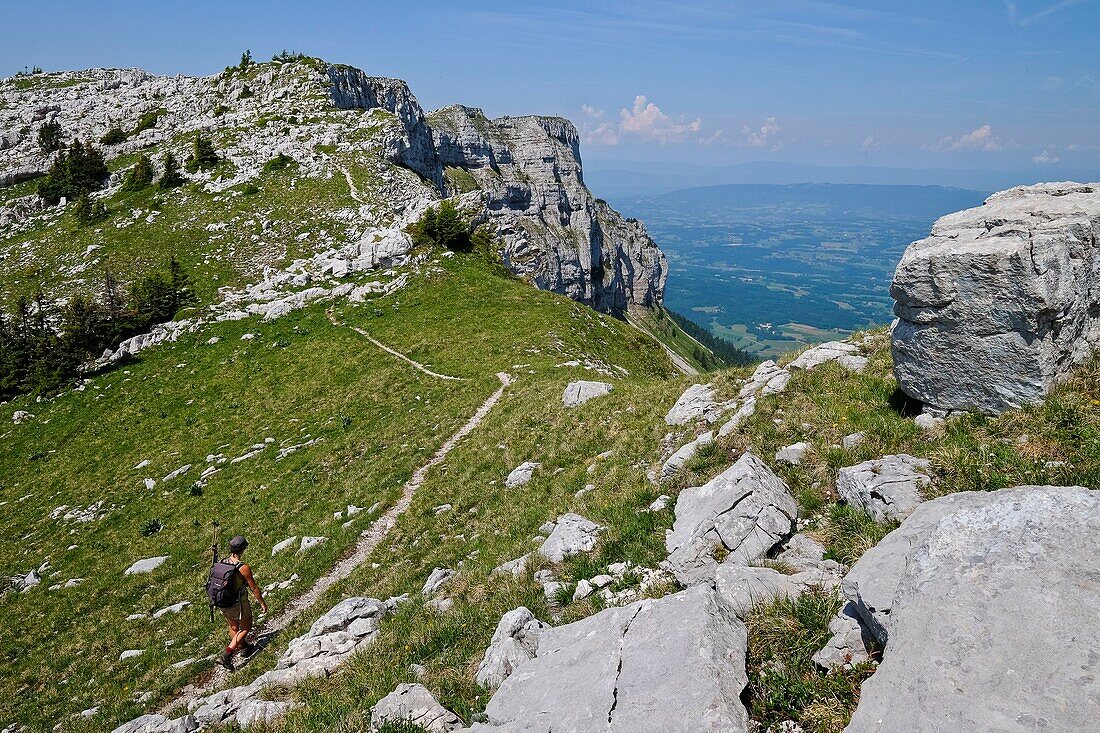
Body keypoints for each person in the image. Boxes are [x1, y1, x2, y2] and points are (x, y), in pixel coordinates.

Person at [215, 535, 268, 670]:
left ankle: (244, 647)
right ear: (243, 549)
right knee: (246, 627)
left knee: (233, 627)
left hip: (221, 602)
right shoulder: (242, 567)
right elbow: (254, 588)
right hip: (238, 603)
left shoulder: (221, 562)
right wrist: (262, 602)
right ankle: (227, 655)